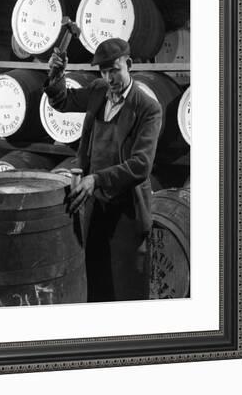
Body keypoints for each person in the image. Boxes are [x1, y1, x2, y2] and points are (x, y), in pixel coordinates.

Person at [45, 38, 162, 302]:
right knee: (96, 284)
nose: (109, 77)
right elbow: (62, 102)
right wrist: (57, 75)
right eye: (104, 71)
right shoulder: (98, 91)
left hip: (128, 213)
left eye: (115, 70)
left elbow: (141, 165)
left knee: (127, 290)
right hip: (96, 209)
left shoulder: (147, 108)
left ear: (128, 64)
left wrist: (96, 179)